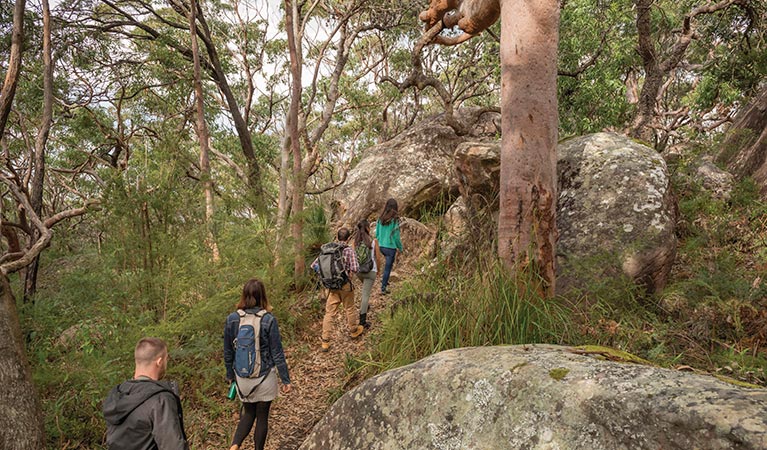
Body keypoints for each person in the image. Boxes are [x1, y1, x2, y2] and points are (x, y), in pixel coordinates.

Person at [224, 278, 292, 450]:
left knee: (248, 414)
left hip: (242, 378)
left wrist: (230, 376)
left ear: (244, 295)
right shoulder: (268, 319)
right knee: (262, 417)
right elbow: (277, 352)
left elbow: (228, 351)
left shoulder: (232, 319)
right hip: (264, 378)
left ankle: (234, 446)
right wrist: (285, 380)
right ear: (263, 296)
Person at [103, 337, 189, 450]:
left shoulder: (116, 394)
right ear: (159, 361)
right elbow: (172, 446)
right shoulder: (160, 399)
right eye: (166, 359)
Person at [311, 227, 365, 352]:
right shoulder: (347, 250)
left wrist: (328, 276)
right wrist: (348, 273)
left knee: (329, 313)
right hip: (345, 285)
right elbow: (356, 268)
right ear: (348, 238)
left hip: (332, 287)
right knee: (349, 308)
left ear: (337, 237)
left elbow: (314, 265)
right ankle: (353, 331)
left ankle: (325, 341)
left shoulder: (327, 250)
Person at [353, 219, 383, 328]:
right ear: (367, 228)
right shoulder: (373, 241)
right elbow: (378, 258)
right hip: (371, 271)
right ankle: (362, 321)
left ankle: (365, 306)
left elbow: (353, 257)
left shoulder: (355, 243)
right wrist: (378, 270)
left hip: (359, 272)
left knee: (365, 291)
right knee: (365, 295)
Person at [376, 198, 404, 295]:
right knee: (388, 267)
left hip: (381, 246)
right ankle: (383, 287)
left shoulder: (380, 219)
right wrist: (400, 247)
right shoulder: (394, 220)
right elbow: (396, 236)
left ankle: (385, 279)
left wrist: (379, 243)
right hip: (390, 247)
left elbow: (377, 234)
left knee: (387, 266)